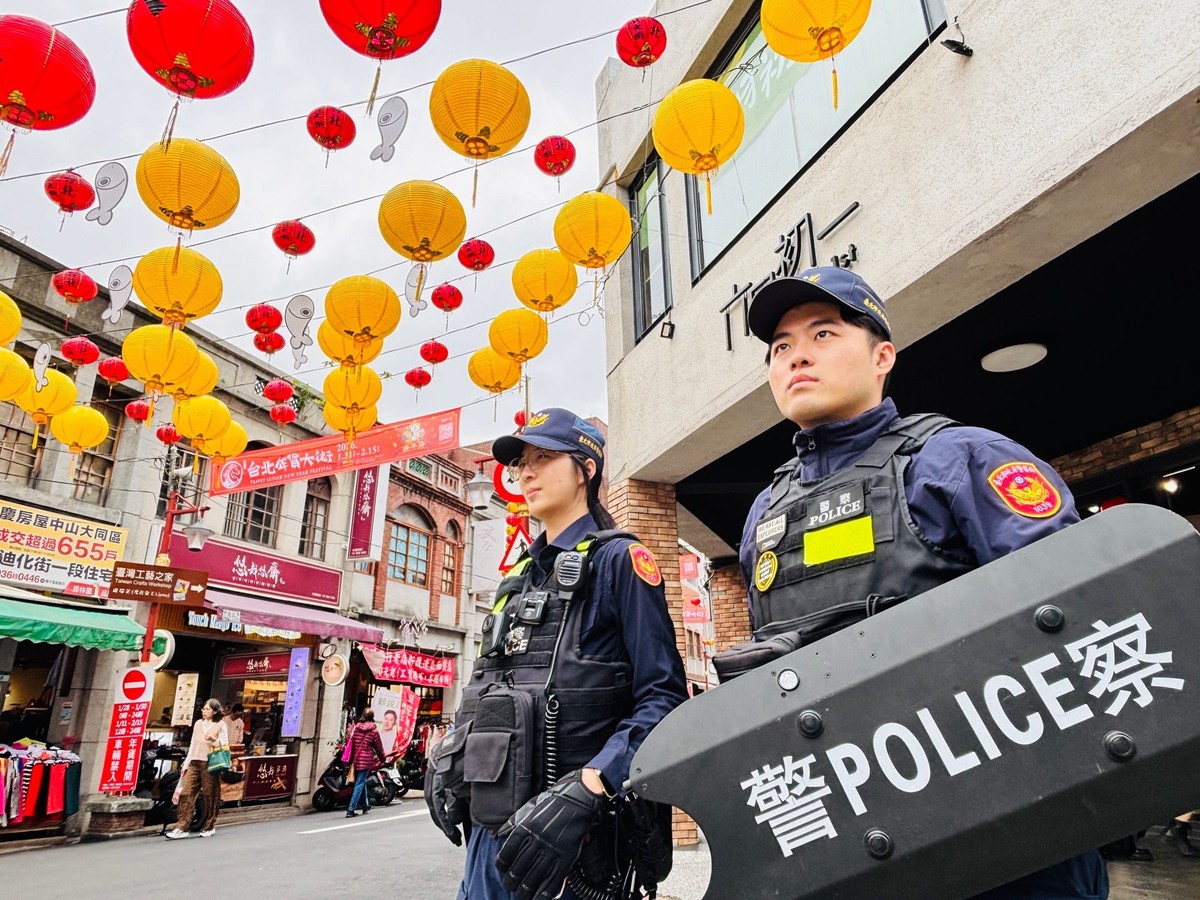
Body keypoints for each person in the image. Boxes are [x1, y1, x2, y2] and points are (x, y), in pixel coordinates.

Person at [735, 266, 1108, 898]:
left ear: (884, 357)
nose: (797, 354)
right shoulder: (764, 514)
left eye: (824, 333)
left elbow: (1079, 618)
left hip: (1008, 836)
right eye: (780, 346)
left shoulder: (959, 458)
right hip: (850, 843)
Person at [426, 408, 689, 900]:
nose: (525, 472)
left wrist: (595, 783)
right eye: (521, 462)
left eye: (544, 458)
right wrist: (449, 756)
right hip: (492, 833)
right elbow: (490, 685)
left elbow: (663, 697)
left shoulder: (620, 562)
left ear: (586, 470)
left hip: (576, 841)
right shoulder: (517, 578)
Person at [165, 697, 228, 839]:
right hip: (194, 761)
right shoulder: (198, 724)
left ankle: (209, 825)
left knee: (209, 794)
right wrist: (186, 763)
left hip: (210, 762)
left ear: (214, 711)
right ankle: (181, 826)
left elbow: (224, 745)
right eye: (203, 709)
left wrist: (214, 740)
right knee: (186, 792)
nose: (204, 711)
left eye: (207, 709)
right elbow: (193, 744)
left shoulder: (221, 725)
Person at [346, 709, 385, 818]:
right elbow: (379, 747)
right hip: (366, 759)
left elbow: (351, 744)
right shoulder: (374, 731)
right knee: (359, 783)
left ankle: (365, 805)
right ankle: (351, 809)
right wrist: (383, 759)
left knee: (360, 782)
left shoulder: (356, 728)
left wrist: (350, 759)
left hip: (356, 759)